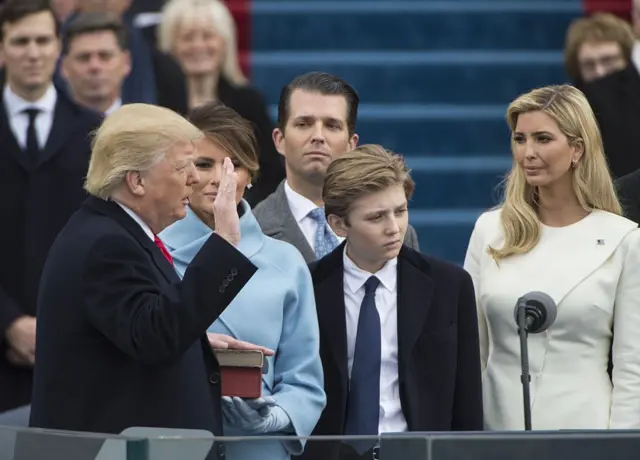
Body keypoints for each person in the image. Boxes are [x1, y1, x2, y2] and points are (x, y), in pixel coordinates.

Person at [29, 103, 272, 451]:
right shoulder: (106, 244)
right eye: (181, 166)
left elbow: (137, 326)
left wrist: (197, 344)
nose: (194, 177)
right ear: (137, 181)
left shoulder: (116, 233)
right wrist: (226, 243)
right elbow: (156, 337)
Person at [464, 85, 640, 430]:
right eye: (520, 139)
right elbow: (473, 350)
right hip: (496, 430)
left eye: (543, 139)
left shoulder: (624, 240)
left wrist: (623, 444)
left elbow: (632, 365)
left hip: (587, 433)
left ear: (577, 149)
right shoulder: (490, 230)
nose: (528, 152)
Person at [159, 102, 325, 460]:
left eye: (233, 165)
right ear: (182, 171)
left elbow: (305, 381)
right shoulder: (153, 253)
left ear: (250, 176)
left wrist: (272, 417)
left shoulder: (286, 262)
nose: (220, 179)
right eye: (204, 164)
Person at [303, 145, 483, 460]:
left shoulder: (449, 286)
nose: (394, 228)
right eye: (376, 217)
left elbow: (466, 400)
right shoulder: (308, 286)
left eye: (400, 211)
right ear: (338, 225)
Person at [0, 0, 102, 419]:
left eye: (43, 40)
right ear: (2, 47)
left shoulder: (93, 133)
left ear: (59, 46)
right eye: (21, 41)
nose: (33, 52)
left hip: (73, 348)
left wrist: (58, 324)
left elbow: (102, 242)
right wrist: (8, 322)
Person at [253, 72, 420, 263]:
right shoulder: (252, 230)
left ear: (351, 144)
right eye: (303, 124)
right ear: (279, 140)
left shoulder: (399, 233)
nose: (318, 136)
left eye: (332, 126)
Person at [157, 0, 284, 207]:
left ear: (225, 42)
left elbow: (270, 175)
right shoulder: (155, 105)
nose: (198, 46)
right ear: (170, 46)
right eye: (187, 38)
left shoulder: (248, 102)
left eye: (207, 36)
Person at [60, 13, 131, 115]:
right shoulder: (49, 128)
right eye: (84, 58)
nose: (94, 66)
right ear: (64, 66)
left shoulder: (144, 127)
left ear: (126, 62)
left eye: (105, 56)